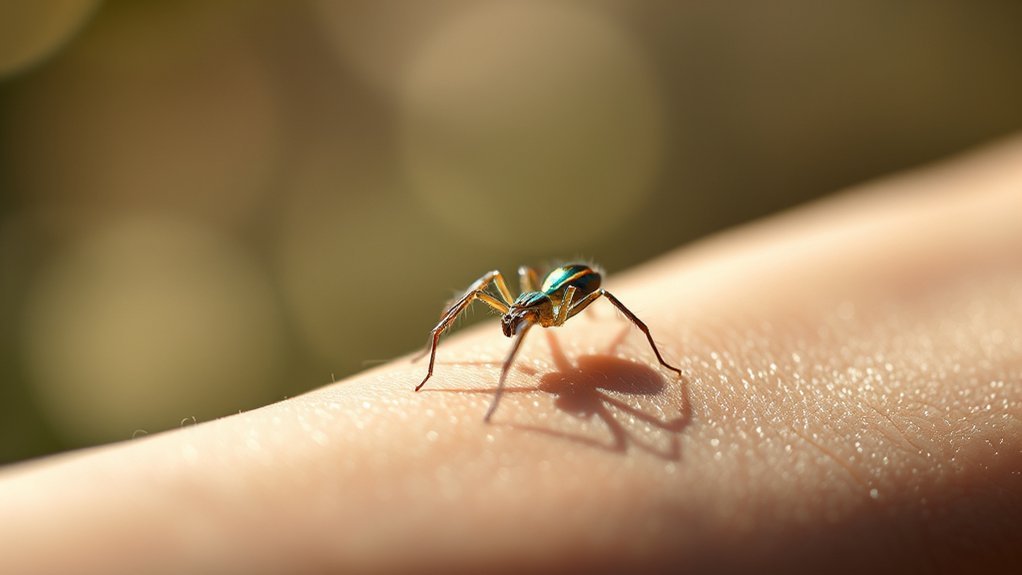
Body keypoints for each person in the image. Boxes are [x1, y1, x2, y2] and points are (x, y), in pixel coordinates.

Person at [1, 138, 1020, 574]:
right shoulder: (512, 306)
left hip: (586, 292)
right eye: (519, 324)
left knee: (586, 292)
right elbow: (488, 297)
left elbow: (593, 287)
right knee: (492, 283)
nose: (525, 330)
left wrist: (639, 356)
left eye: (523, 323)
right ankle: (450, 364)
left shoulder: (561, 307)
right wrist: (440, 362)